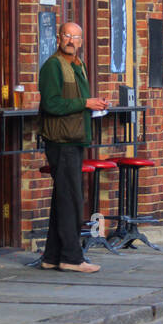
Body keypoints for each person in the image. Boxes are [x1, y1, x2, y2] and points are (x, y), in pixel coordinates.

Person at [38, 22, 110, 273]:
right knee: (71, 199)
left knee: (64, 198)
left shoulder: (78, 65)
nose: (71, 40)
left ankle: (51, 256)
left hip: (75, 138)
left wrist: (94, 103)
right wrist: (86, 102)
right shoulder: (52, 66)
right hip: (60, 141)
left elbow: (77, 102)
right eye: (67, 35)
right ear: (59, 38)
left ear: (80, 42)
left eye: (76, 37)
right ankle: (71, 258)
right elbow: (51, 104)